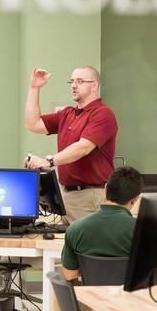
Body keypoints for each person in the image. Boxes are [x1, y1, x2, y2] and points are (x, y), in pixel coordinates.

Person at [24, 66, 118, 223]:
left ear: (94, 85)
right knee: (68, 246)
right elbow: (32, 124)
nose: (73, 85)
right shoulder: (68, 113)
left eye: (80, 81)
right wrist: (34, 88)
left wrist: (48, 161)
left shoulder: (103, 114)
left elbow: (84, 147)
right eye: (72, 81)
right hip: (67, 195)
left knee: (88, 246)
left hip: (91, 195)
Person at [60, 166, 143, 281]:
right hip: (130, 298)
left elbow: (70, 275)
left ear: (105, 189)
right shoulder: (143, 231)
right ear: (135, 199)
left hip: (90, 298)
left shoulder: (74, 229)